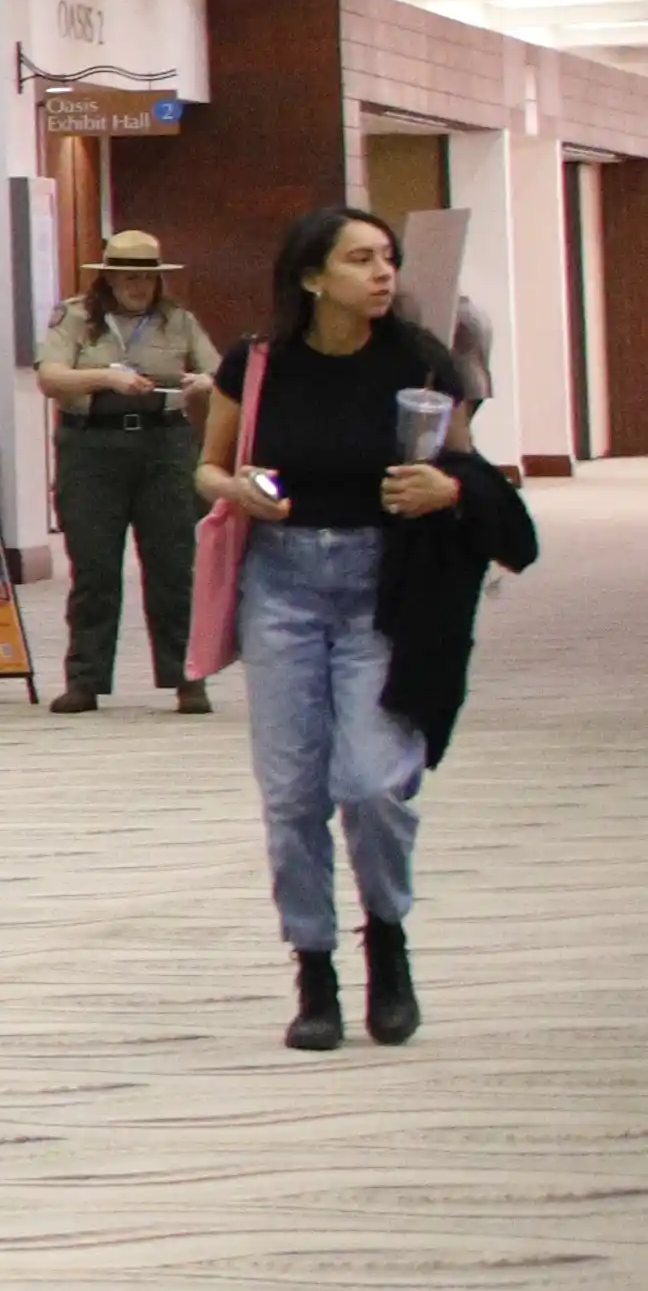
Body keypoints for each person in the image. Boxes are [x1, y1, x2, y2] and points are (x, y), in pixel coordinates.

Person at [193, 203, 537, 1056]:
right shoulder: (258, 364)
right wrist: (236, 491)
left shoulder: (419, 361)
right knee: (293, 795)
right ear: (313, 277)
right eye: (360, 260)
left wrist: (445, 491)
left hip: (384, 587)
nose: (383, 274)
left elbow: (467, 471)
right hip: (281, 583)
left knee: (374, 782)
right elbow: (210, 464)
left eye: (387, 258)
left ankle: (387, 938)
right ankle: (314, 967)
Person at [35, 226, 216, 715]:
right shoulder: (76, 318)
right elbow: (50, 377)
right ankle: (86, 679)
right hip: (93, 444)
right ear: (108, 277)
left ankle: (188, 677)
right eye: (128, 277)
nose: (139, 287)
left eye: (148, 278)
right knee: (94, 565)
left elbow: (219, 373)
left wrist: (203, 383)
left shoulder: (177, 321)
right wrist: (105, 378)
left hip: (164, 442)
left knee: (173, 565)